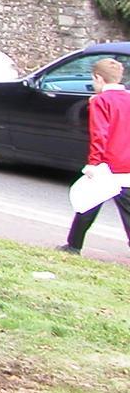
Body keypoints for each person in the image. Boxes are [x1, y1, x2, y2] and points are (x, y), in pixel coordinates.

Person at [62, 56, 130, 254]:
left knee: (88, 202)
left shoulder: (101, 101)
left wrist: (93, 162)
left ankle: (74, 245)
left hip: (108, 164)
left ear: (98, 78)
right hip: (127, 163)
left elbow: (100, 134)